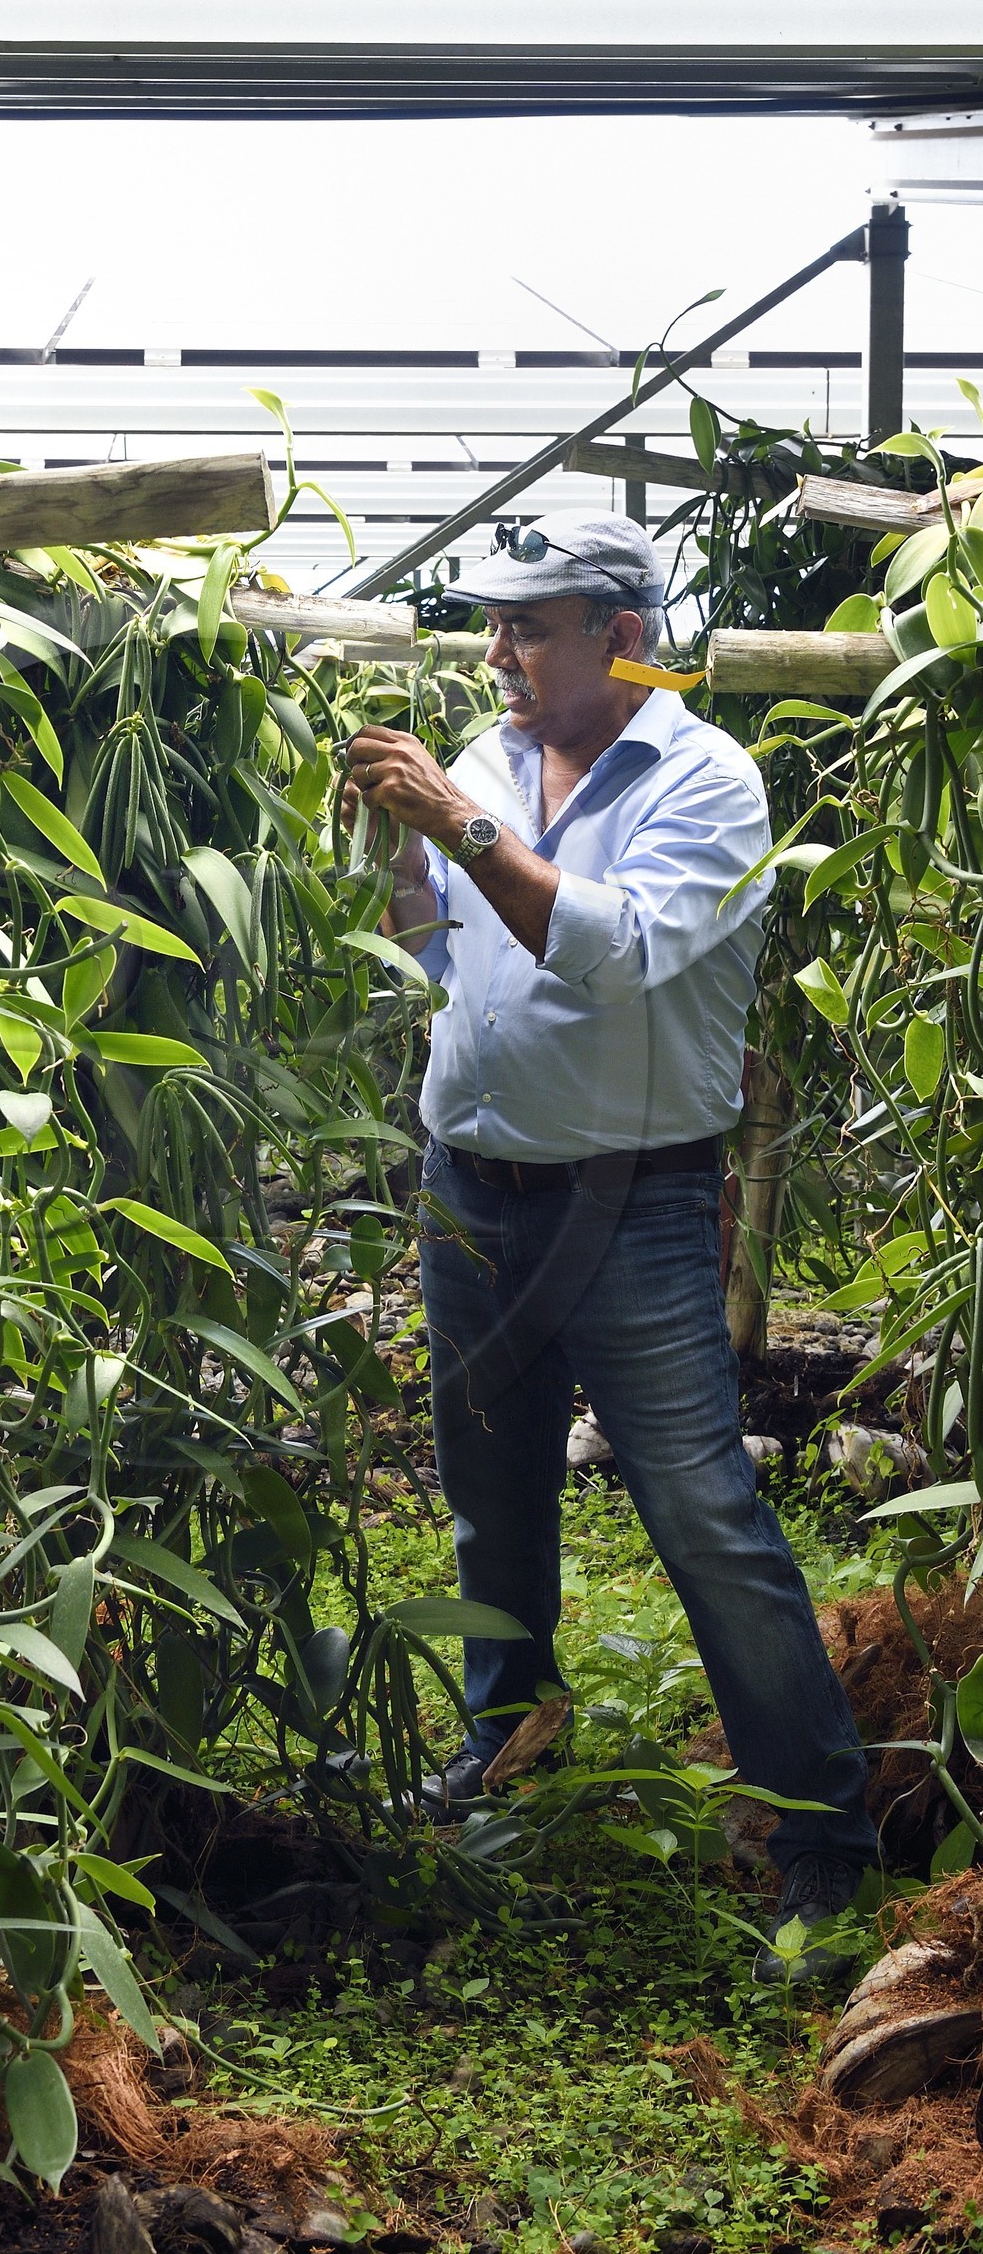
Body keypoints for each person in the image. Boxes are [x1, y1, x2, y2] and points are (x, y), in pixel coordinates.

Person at [341, 511, 876, 1982]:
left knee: (706, 1513)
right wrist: (407, 844)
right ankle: (504, 1748)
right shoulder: (494, 754)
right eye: (495, 624)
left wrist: (454, 818)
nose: (498, 651)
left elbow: (619, 949)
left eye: (531, 626)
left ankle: (827, 1840)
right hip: (473, 1189)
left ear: (622, 639)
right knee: (486, 1493)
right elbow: (441, 946)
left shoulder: (707, 782)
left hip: (628, 1203)